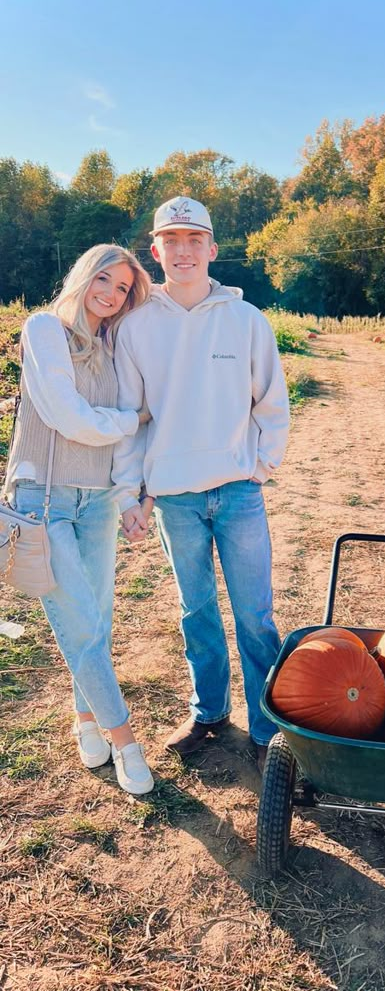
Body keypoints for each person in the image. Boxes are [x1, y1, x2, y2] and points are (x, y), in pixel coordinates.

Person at [112, 196, 290, 772]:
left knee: (255, 617)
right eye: (172, 240)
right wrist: (135, 492)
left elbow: (272, 404)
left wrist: (259, 467)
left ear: (212, 249)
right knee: (197, 613)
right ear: (156, 250)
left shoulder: (246, 320)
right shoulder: (135, 328)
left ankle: (268, 730)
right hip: (176, 499)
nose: (184, 251)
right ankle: (209, 712)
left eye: (196, 241)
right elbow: (131, 419)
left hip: (238, 492)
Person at [4, 244, 155, 795]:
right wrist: (131, 418)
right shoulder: (44, 330)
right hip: (41, 498)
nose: (111, 295)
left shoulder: (115, 347)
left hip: (94, 502)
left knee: (96, 622)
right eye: (105, 280)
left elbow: (112, 445)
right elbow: (69, 418)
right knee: (82, 627)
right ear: (83, 276)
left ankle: (87, 720)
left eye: (123, 289)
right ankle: (126, 740)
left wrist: (124, 498)